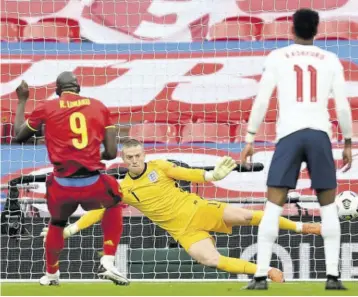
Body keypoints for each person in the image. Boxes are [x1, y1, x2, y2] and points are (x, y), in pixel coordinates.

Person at [42, 138, 322, 282]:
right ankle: (266, 271)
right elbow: (99, 211)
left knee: (246, 216)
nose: (136, 160)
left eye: (139, 155)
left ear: (144, 155)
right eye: (130, 157)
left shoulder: (161, 167)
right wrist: (68, 229)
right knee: (210, 260)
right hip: (183, 231)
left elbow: (188, 174)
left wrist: (212, 176)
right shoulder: (122, 188)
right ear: (124, 160)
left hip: (198, 209)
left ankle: (302, 227)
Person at [241, 8, 352, 290]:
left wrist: (250, 137)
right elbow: (341, 105)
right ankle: (333, 277)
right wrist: (348, 141)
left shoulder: (278, 57)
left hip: (289, 136)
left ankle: (260, 276)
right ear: (317, 30)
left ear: (292, 29)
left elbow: (262, 99)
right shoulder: (331, 59)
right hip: (319, 135)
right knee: (328, 207)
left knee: (272, 206)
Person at [14, 73, 129, 286]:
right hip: (92, 183)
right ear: (79, 88)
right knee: (115, 201)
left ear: (58, 90)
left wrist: (22, 101)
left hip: (62, 186)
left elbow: (18, 136)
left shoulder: (47, 107)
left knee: (57, 223)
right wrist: (93, 157)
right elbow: (112, 153)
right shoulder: (99, 106)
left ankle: (52, 274)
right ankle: (108, 257)